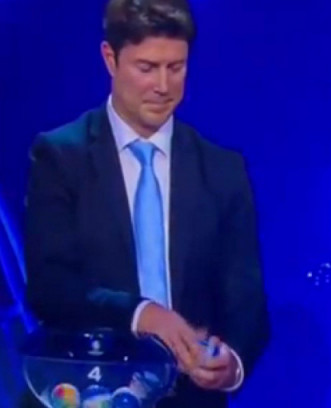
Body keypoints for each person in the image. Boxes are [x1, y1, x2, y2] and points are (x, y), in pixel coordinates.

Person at [23, 0, 269, 406]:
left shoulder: (223, 170)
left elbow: (247, 300)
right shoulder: (61, 156)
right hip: (86, 389)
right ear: (110, 58)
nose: (163, 86)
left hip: (190, 397)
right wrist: (142, 314)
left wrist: (232, 363)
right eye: (147, 67)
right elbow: (51, 287)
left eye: (176, 67)